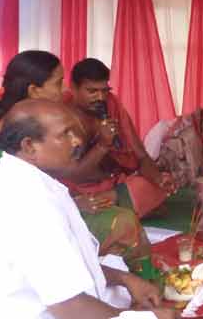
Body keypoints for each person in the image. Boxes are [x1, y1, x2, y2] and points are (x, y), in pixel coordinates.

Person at [0, 99, 176, 319]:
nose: (77, 141)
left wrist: (126, 279)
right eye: (65, 134)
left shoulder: (30, 182)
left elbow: (64, 269)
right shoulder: (28, 204)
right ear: (29, 146)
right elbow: (70, 307)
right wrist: (143, 317)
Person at [64, 58, 175, 215]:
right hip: (75, 187)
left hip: (111, 183)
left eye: (104, 90)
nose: (100, 97)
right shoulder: (60, 113)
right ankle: (112, 204)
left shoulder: (112, 104)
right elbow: (72, 174)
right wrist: (102, 146)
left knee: (157, 183)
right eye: (92, 91)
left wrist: (158, 179)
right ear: (73, 88)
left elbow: (141, 155)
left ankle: (107, 201)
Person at [0, 50, 65, 195]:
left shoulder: (24, 122)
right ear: (34, 90)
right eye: (59, 83)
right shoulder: (10, 135)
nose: (64, 89)